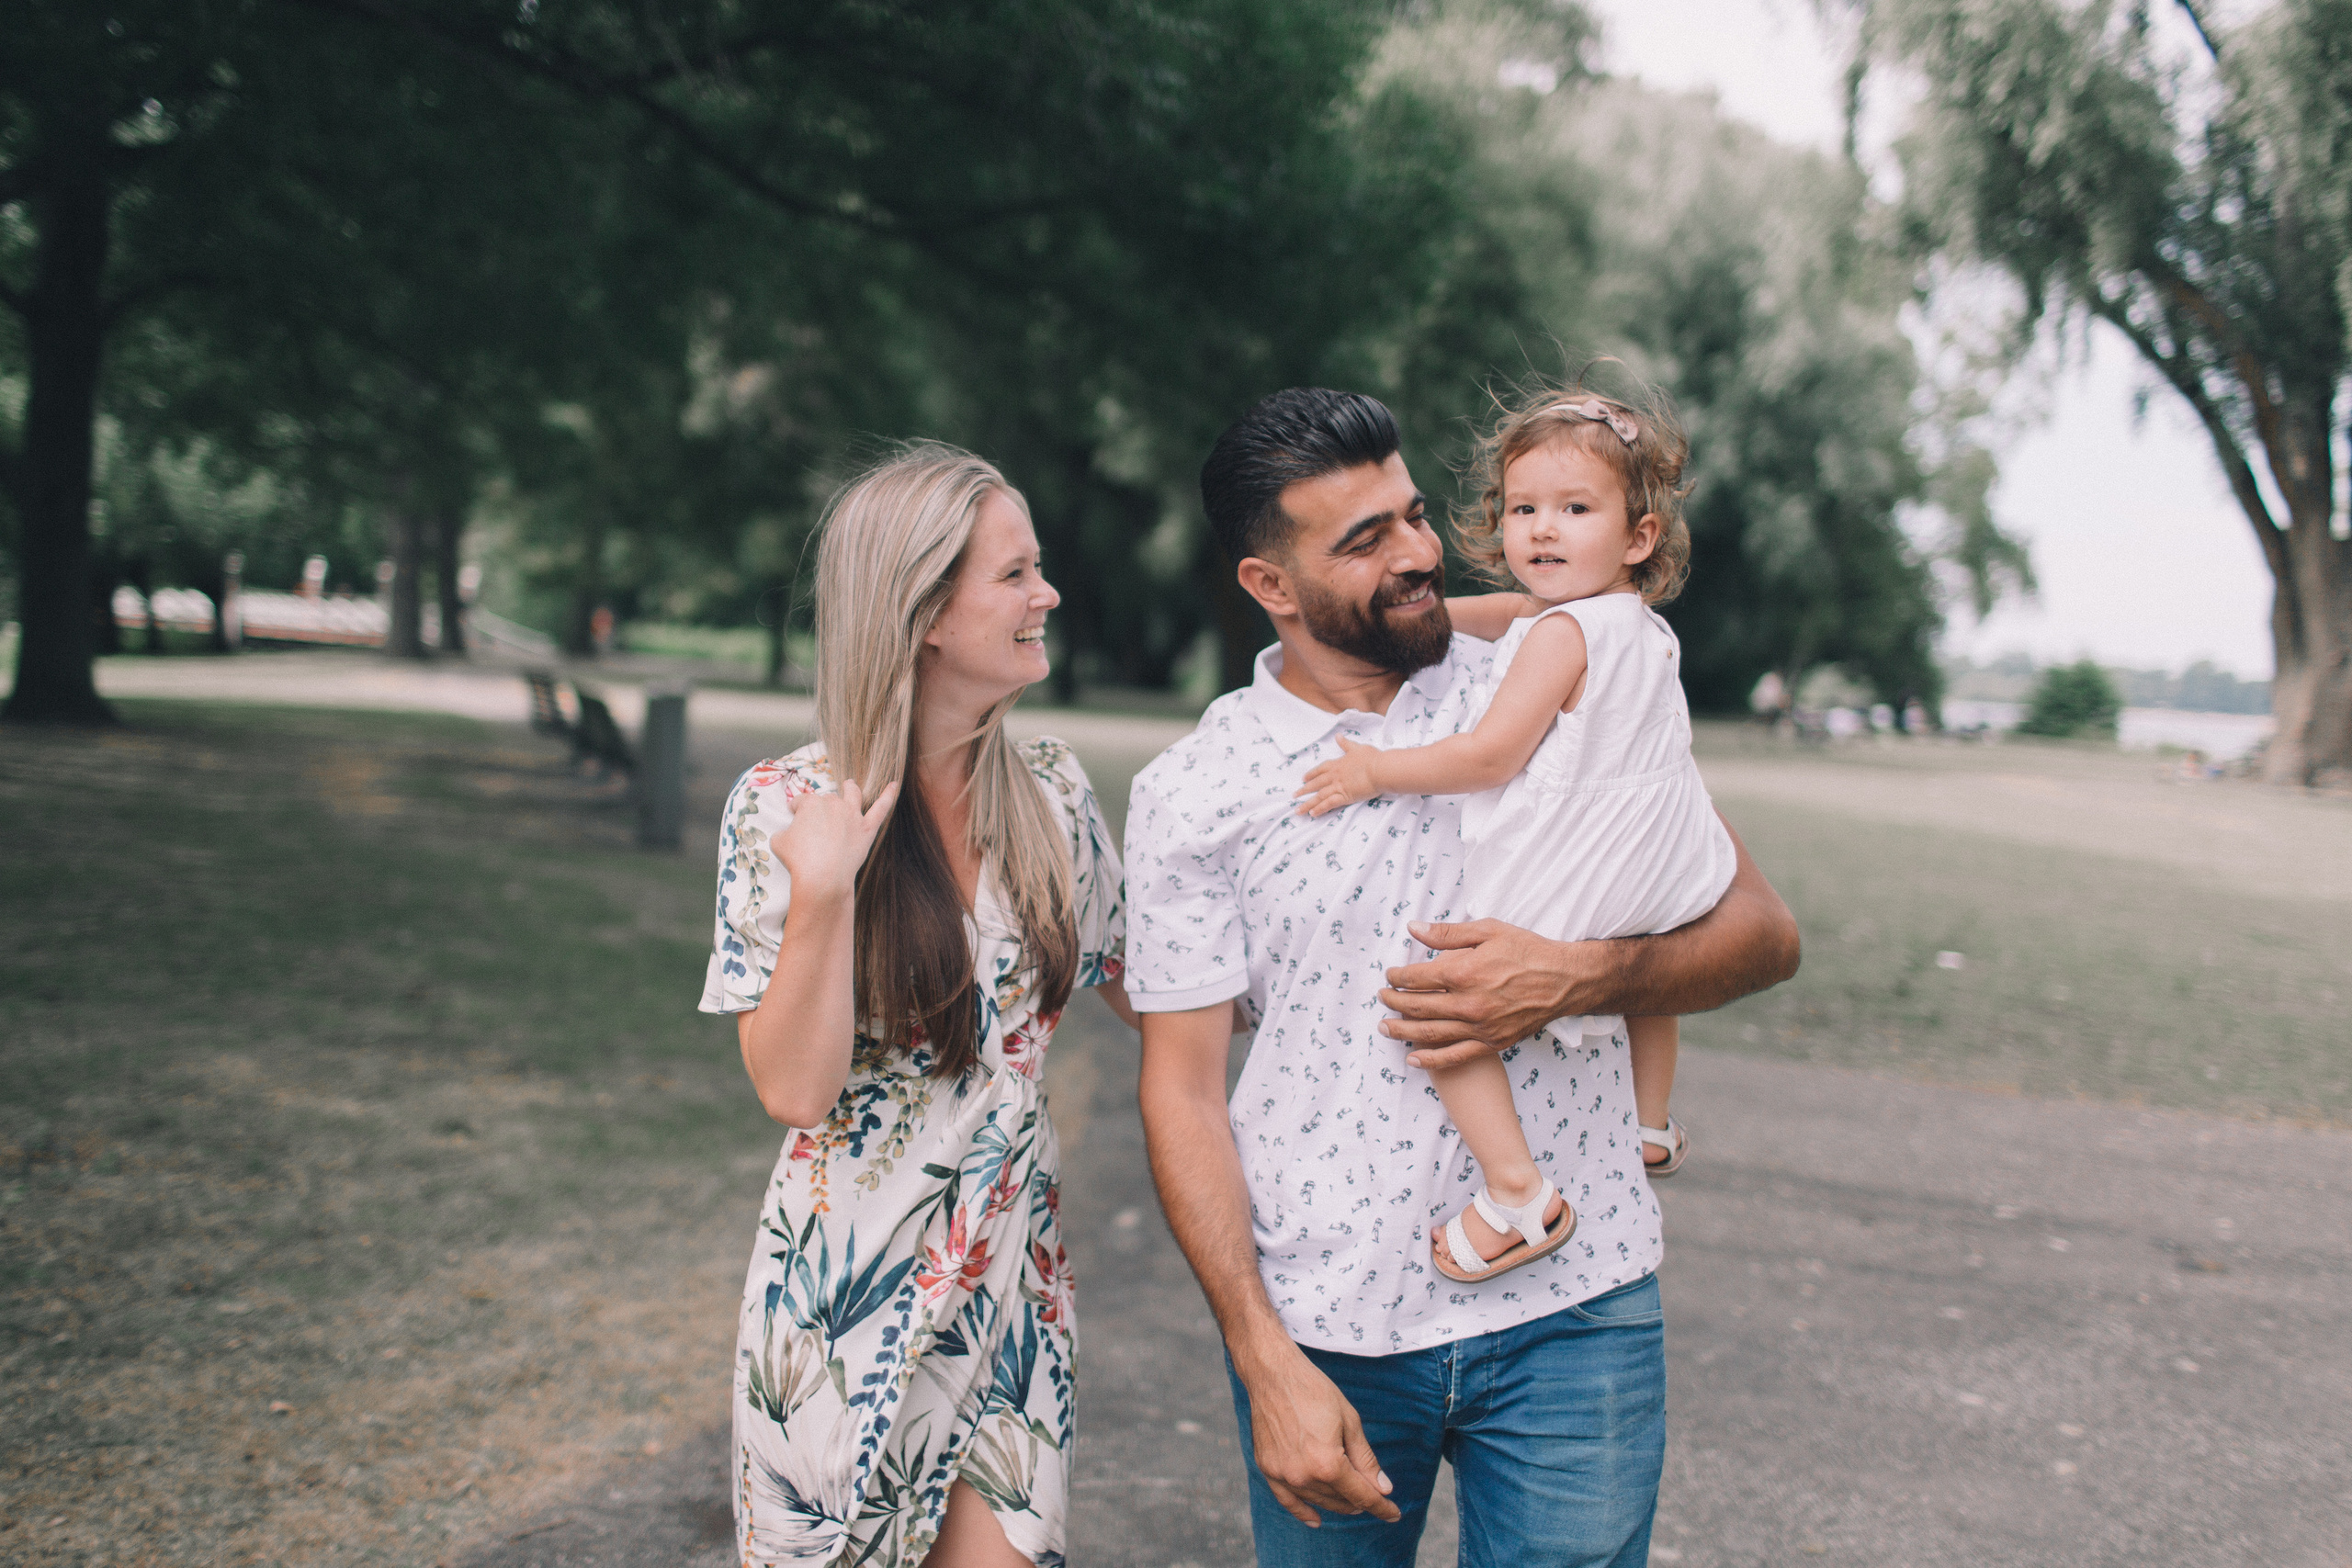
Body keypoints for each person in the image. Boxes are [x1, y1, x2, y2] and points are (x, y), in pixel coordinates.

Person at [1125, 389, 1798, 1566]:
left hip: (1575, 1311)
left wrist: (1583, 976)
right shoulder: (1196, 790)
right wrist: (1258, 1352)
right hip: (1326, 1319)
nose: (1422, 553)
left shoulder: (1555, 670)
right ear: (1268, 587)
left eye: (1417, 515)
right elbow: (1179, 1087)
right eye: (1365, 540)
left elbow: (1759, 933)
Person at [700, 444, 1133, 1568]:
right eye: (1016, 574)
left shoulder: (1052, 794)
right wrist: (822, 894)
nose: (1046, 595)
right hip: (845, 1310)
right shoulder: (785, 806)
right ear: (926, 611)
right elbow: (793, 1090)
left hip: (1012, 1296)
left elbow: (1155, 985)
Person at [1293, 384, 1736, 1280]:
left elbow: (1490, 757)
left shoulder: (1559, 639)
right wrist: (1430, 624)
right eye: (1525, 507)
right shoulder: (1634, 625)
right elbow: (1508, 616)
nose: (1540, 528)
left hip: (1578, 870)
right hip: (1659, 867)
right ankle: (1647, 1124)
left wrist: (1374, 770)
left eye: (1574, 509)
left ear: (1637, 536)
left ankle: (1516, 1194)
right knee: (1651, 976)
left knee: (1439, 1008)